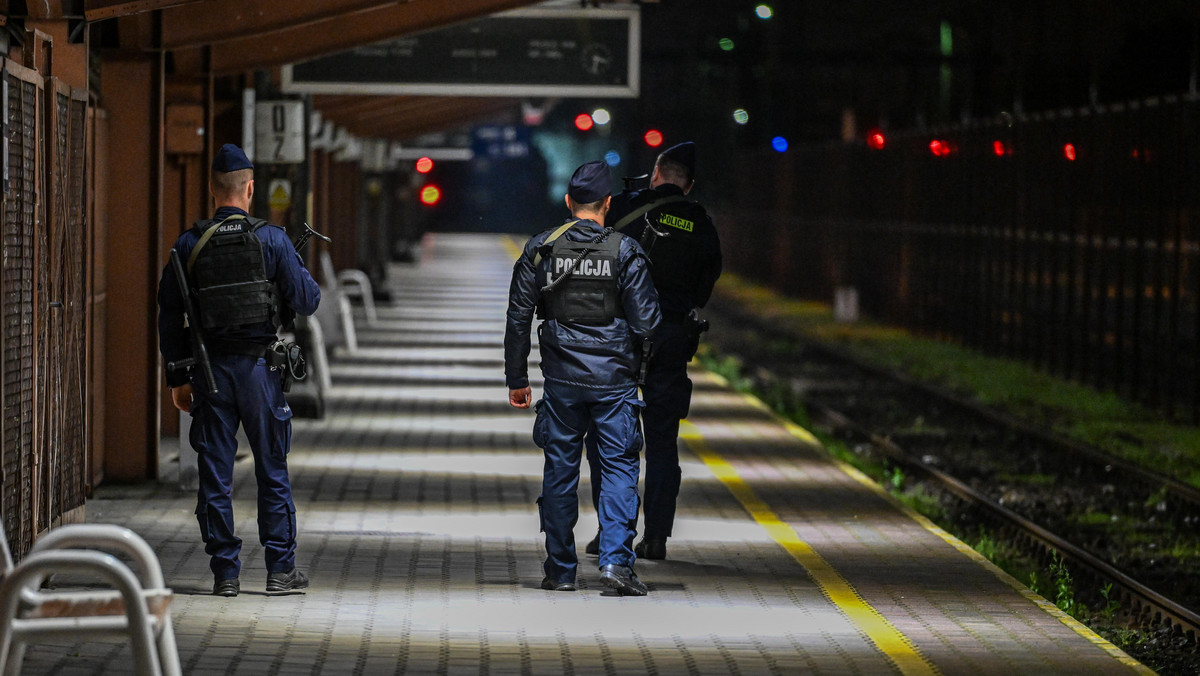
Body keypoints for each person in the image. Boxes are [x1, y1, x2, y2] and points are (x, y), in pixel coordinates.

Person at [157, 144, 321, 597]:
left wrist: (177, 379)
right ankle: (279, 570)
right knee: (271, 468)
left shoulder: (188, 244)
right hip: (260, 372)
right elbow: (308, 301)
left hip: (208, 371)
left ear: (211, 190)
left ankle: (225, 573)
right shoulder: (272, 239)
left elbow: (168, 316)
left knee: (215, 472)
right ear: (251, 188)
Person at [505, 160, 661, 595]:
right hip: (615, 383)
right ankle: (615, 565)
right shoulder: (625, 251)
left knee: (560, 472)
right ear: (608, 204)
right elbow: (648, 323)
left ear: (568, 202)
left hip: (561, 383)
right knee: (618, 470)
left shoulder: (540, 248)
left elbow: (518, 319)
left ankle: (560, 570)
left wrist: (516, 378)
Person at [585, 142, 722, 561]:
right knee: (663, 439)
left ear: (656, 174)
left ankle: (613, 531)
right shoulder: (701, 223)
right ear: (689, 185)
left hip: (618, 336)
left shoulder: (624, 206)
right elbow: (704, 285)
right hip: (671, 338)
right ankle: (657, 536)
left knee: (607, 434)